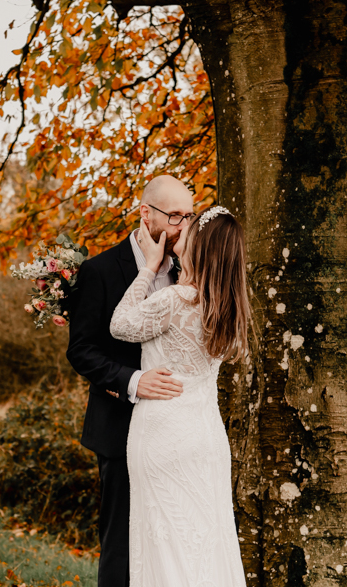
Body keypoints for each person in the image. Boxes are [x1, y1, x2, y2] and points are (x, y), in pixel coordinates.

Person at [65, 175, 196, 587]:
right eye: (175, 216)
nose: (183, 227)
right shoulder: (100, 270)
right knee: (122, 544)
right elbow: (81, 350)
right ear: (146, 214)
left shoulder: (189, 271)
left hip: (178, 433)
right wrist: (134, 381)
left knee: (170, 541)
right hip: (120, 428)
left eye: (189, 216)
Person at [110, 205, 250, 586]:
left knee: (167, 547)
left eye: (188, 228)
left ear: (199, 247)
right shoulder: (228, 309)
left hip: (164, 436)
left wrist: (148, 269)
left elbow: (119, 324)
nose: (180, 231)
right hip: (207, 440)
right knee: (207, 546)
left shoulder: (174, 300)